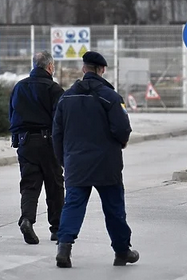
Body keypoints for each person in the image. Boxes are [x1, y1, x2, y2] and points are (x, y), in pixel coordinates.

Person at [52, 51, 139, 268]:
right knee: (114, 208)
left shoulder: (66, 98)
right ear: (102, 70)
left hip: (75, 163)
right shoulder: (110, 97)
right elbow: (122, 128)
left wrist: (64, 160)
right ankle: (121, 252)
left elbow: (57, 134)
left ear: (84, 69)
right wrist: (122, 141)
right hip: (106, 164)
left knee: (73, 205)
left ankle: (64, 247)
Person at [8, 50, 64, 245]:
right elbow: (60, 120)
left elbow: (12, 115)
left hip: (25, 143)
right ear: (49, 67)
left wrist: (17, 140)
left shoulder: (19, 87)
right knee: (55, 185)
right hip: (48, 142)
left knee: (29, 185)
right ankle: (57, 229)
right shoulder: (54, 89)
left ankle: (26, 220)